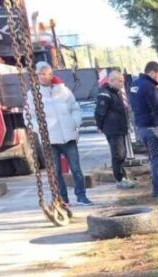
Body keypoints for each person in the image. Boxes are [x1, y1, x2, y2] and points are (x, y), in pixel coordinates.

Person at [32, 62, 91, 206]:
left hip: (68, 136)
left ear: (52, 75)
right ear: (37, 76)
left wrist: (74, 122)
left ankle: (81, 196)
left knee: (76, 169)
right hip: (50, 139)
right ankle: (63, 199)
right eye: (42, 74)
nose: (45, 77)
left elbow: (75, 108)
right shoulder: (33, 95)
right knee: (56, 172)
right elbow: (31, 116)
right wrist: (39, 130)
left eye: (48, 74)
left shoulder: (64, 91)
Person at [129, 61, 158, 200]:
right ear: (151, 73)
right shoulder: (150, 87)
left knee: (153, 159)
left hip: (142, 127)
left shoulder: (134, 85)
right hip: (154, 128)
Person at [95, 70, 136, 189]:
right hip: (112, 129)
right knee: (118, 154)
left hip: (120, 128)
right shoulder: (105, 94)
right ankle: (119, 179)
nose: (122, 83)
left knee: (123, 154)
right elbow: (100, 112)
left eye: (122, 81)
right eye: (119, 81)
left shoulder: (116, 93)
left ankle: (122, 176)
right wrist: (100, 126)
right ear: (111, 80)